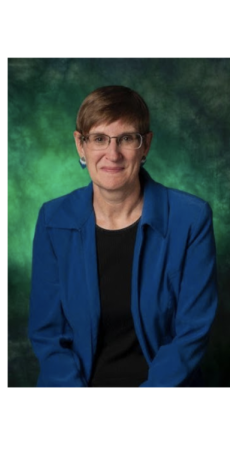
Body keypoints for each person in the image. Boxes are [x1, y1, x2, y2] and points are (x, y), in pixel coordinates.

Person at [28, 86, 217, 387]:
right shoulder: (54, 219)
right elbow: (48, 334)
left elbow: (191, 333)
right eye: (99, 139)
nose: (112, 154)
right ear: (81, 145)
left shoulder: (190, 218)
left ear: (146, 146)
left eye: (127, 138)